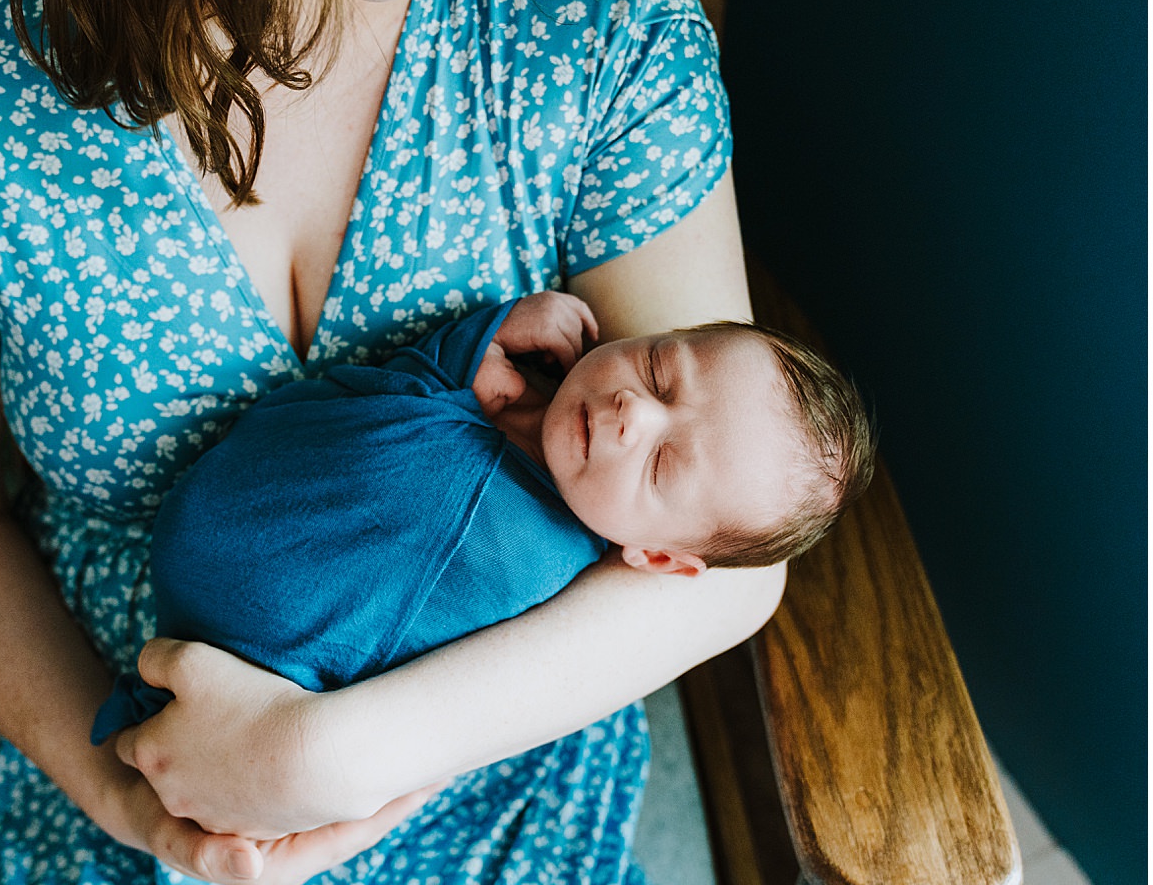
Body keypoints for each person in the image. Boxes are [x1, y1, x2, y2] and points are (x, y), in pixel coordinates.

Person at [0, 0, 785, 885]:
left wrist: (337, 753)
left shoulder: (589, 15)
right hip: (126, 710)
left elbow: (725, 563)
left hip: (481, 718)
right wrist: (137, 801)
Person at [92, 289, 874, 738]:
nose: (636, 412)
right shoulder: (501, 379)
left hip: (255, 669)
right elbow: (388, 385)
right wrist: (481, 339)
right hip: (220, 509)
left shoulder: (537, 575)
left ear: (660, 559)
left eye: (664, 464)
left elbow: (408, 685)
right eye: (660, 368)